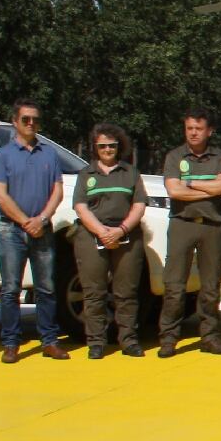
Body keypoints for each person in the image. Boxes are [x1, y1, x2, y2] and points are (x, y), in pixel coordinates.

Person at [0, 98, 70, 363]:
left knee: (46, 288)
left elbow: (57, 190)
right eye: (26, 119)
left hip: (43, 229)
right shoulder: (3, 155)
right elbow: (0, 194)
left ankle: (49, 340)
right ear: (15, 122)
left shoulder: (49, 154)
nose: (31, 123)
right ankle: (11, 343)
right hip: (12, 230)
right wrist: (26, 221)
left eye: (35, 119)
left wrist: (43, 219)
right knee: (11, 289)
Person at [159, 109, 221, 356]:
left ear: (209, 131)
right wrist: (208, 188)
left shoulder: (220, 156)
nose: (193, 133)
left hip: (212, 225)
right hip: (183, 223)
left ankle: (209, 336)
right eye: (189, 128)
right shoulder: (174, 156)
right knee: (174, 285)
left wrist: (189, 182)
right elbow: (174, 191)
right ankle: (168, 338)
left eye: (198, 128)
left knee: (211, 286)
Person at [71, 122, 147, 358]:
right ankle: (96, 341)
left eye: (111, 145)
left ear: (119, 146)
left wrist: (121, 230)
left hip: (126, 235)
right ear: (95, 147)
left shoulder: (131, 173)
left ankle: (128, 340)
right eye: (102, 145)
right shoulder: (86, 174)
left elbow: (139, 205)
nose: (107, 149)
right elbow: (80, 206)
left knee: (126, 291)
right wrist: (101, 231)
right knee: (94, 291)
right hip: (92, 235)